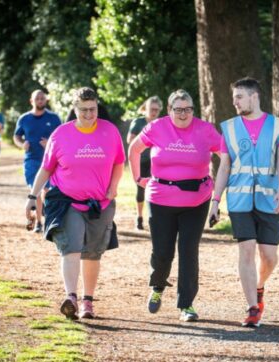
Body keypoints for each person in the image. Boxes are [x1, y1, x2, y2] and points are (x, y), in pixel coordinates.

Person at [25, 87, 125, 319]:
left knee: (92, 254)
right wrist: (32, 197)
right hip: (68, 201)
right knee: (71, 248)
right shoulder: (61, 135)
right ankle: (70, 297)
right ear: (74, 109)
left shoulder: (109, 131)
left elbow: (119, 162)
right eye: (83, 110)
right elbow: (46, 168)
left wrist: (114, 186)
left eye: (93, 109)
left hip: (100, 203)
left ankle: (87, 302)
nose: (89, 115)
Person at [128, 89, 220, 322]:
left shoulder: (205, 130)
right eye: (178, 109)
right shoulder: (156, 127)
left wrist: (219, 185)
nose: (183, 114)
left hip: (197, 199)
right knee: (162, 252)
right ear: (169, 110)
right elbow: (135, 149)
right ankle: (158, 286)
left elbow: (225, 154)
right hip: (160, 199)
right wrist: (138, 178)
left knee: (189, 250)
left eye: (188, 109)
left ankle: (186, 305)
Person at [209, 77, 279, 327]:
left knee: (270, 257)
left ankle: (259, 286)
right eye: (234, 97)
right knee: (246, 250)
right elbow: (224, 167)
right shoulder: (229, 128)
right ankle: (252, 308)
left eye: (239, 97)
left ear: (254, 96)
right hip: (239, 200)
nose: (235, 102)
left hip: (269, 198)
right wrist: (215, 200)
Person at [14, 90, 61, 233]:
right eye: (37, 98)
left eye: (42, 98)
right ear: (31, 101)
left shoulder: (53, 118)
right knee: (36, 190)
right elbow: (16, 137)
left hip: (50, 160)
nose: (40, 100)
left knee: (47, 190)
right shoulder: (24, 118)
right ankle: (38, 223)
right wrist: (22, 144)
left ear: (46, 100)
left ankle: (46, 220)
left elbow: (62, 138)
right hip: (31, 160)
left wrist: (50, 144)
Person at [126, 96, 163, 230]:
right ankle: (139, 217)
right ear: (145, 109)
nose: (154, 112)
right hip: (140, 161)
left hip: (156, 162)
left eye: (156, 110)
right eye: (151, 109)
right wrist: (145, 141)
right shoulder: (138, 122)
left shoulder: (161, 123)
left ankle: (155, 218)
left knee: (156, 189)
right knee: (141, 189)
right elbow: (129, 140)